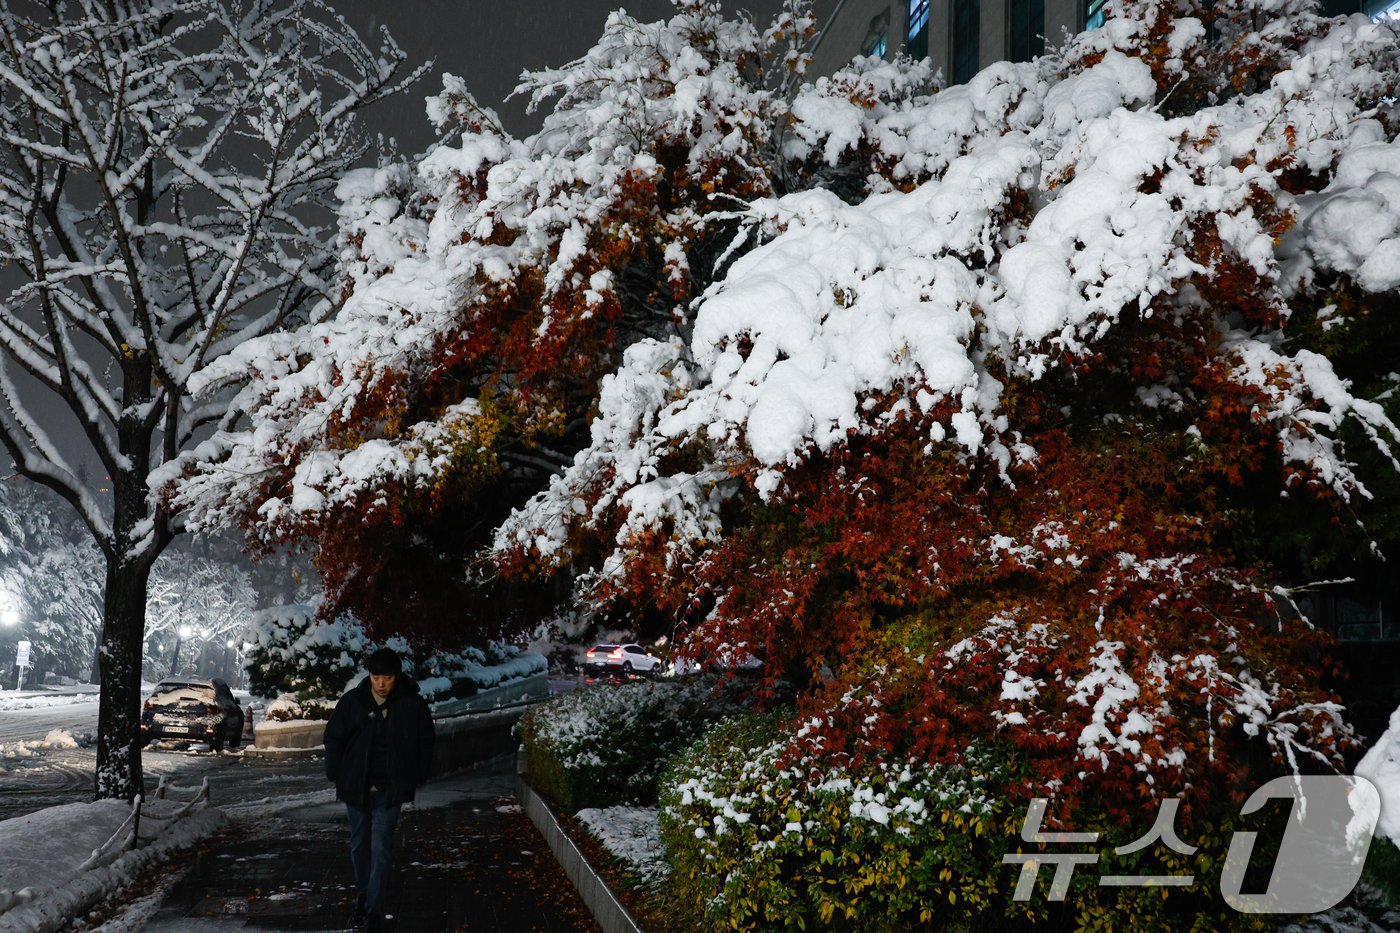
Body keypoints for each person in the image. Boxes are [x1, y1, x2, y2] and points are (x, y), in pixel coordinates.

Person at [324, 647, 435, 931]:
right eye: (376, 677)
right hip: (356, 786)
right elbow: (334, 736)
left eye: (387, 677)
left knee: (382, 846)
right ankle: (364, 891)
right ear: (369, 677)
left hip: (391, 788)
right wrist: (334, 771)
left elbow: (425, 740)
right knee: (360, 844)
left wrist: (419, 773)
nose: (381, 684)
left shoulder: (412, 704)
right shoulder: (353, 702)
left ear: (397, 677)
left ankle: (373, 907)